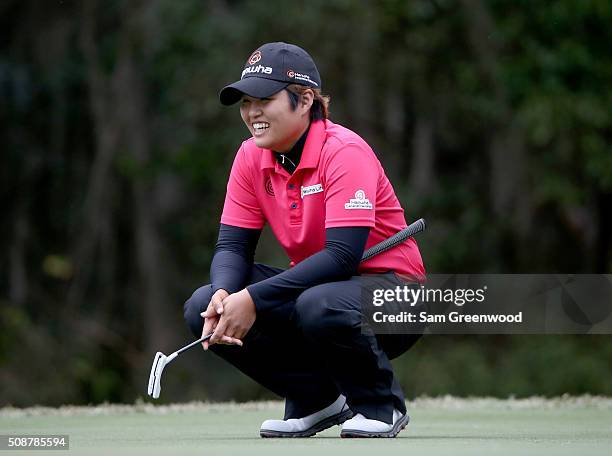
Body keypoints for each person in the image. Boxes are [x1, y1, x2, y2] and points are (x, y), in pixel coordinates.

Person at [183, 42, 425, 438]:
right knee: (202, 307)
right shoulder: (250, 157)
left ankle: (381, 405)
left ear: (305, 99)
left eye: (264, 98)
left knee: (319, 303)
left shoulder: (344, 151)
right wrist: (227, 293)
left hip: (396, 298)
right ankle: (316, 398)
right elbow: (232, 248)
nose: (251, 112)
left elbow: (343, 257)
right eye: (246, 101)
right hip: (325, 292)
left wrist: (255, 299)